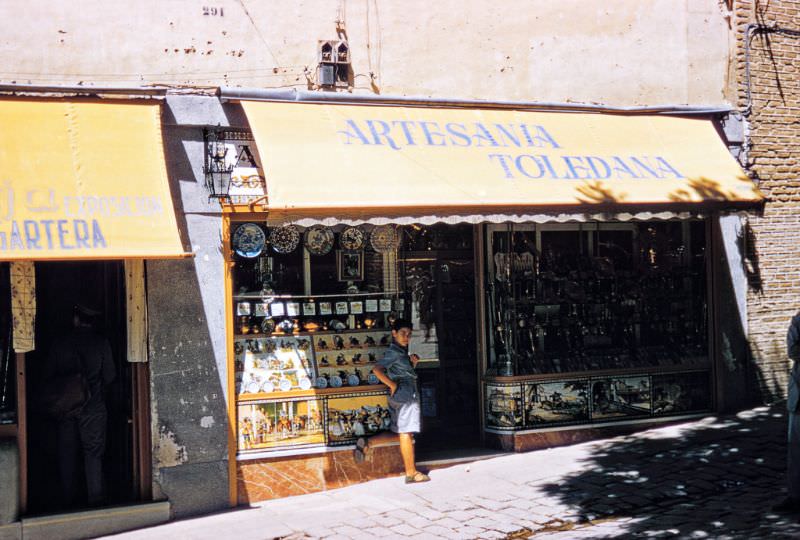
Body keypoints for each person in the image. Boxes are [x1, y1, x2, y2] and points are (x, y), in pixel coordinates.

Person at [43, 304, 115, 508]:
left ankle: (68, 501)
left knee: (66, 453)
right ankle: (96, 500)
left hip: (65, 407)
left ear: (76, 319)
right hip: (93, 407)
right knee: (93, 453)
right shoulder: (101, 343)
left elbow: (47, 376)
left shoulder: (60, 343)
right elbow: (110, 377)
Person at [353, 318, 430, 484]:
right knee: (406, 432)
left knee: (401, 432)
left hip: (402, 393)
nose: (406, 337)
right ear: (394, 333)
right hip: (405, 394)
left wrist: (412, 364)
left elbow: (403, 372)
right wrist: (392, 384)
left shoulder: (400, 351)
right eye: (402, 333)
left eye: (409, 334)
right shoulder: (395, 352)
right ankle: (411, 472)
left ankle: (368, 442)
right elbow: (377, 369)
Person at [775, 310, 800, 512]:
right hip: (799, 396)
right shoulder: (798, 320)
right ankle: (795, 496)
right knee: (796, 448)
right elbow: (793, 351)